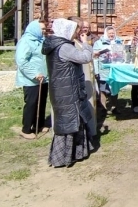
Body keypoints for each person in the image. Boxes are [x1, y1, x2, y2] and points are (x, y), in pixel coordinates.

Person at [42, 18, 94, 168]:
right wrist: (86, 44)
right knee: (68, 122)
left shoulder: (56, 44)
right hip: (67, 89)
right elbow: (85, 57)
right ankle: (63, 157)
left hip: (63, 88)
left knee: (72, 120)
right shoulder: (63, 47)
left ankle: (77, 152)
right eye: (75, 30)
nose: (77, 33)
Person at [15, 20, 49, 140]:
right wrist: (34, 74)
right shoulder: (26, 41)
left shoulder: (41, 40)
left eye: (45, 29)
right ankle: (26, 129)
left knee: (42, 101)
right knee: (31, 103)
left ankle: (39, 125)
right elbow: (21, 61)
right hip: (31, 79)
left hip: (44, 78)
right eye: (42, 29)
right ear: (34, 29)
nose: (44, 31)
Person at [68, 17, 97, 138]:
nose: (81, 30)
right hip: (80, 75)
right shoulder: (71, 42)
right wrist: (85, 43)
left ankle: (91, 129)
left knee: (90, 102)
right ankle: (87, 130)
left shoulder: (78, 39)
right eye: (79, 27)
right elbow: (84, 57)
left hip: (87, 73)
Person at [93, 26, 122, 115]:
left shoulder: (118, 41)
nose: (111, 35)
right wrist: (96, 71)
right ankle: (103, 108)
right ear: (106, 33)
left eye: (113, 33)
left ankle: (114, 107)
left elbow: (123, 53)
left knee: (114, 89)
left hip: (115, 69)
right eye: (109, 33)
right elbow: (95, 58)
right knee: (103, 89)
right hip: (104, 69)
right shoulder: (99, 43)